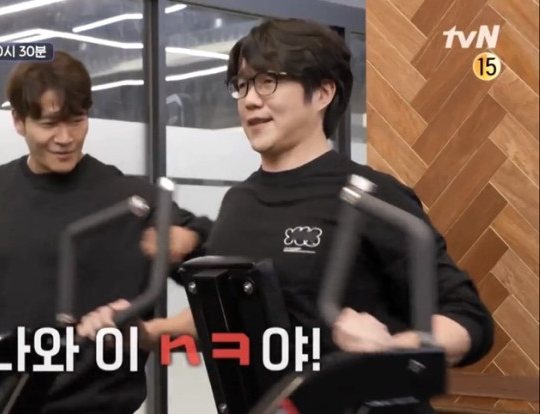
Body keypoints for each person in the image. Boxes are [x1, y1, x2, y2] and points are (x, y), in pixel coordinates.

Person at [77, 18, 494, 413]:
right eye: (242, 85)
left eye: (268, 81)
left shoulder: (370, 196)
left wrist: (392, 351)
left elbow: (468, 319)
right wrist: (142, 332)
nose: (250, 99)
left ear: (323, 93)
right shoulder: (239, 201)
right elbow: (232, 321)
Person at [0, 50, 212, 414]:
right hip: (5, 402)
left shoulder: (132, 201)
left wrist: (190, 238)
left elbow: (213, 262)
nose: (65, 137)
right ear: (18, 121)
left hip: (99, 407)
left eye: (77, 121)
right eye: (49, 124)